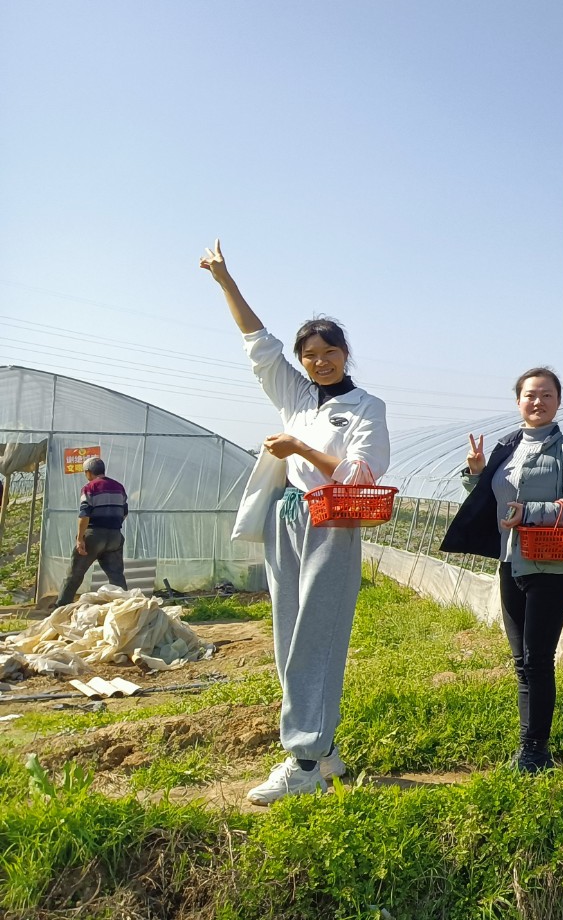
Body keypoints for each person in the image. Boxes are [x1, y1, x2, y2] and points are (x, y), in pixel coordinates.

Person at [200, 240, 389, 804]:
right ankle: (324, 751)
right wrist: (225, 281)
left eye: (329, 352)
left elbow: (362, 475)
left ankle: (305, 760)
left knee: (317, 635)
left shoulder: (365, 408)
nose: (319, 361)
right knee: (287, 636)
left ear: (345, 354)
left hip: (332, 523)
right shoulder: (297, 395)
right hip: (287, 517)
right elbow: (258, 344)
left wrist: (300, 448)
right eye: (310, 354)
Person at [440, 367, 563, 773]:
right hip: (511, 563)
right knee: (521, 662)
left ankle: (536, 751)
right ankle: (528, 747)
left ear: (558, 401)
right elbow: (490, 502)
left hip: (551, 566)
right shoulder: (507, 448)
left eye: (546, 394)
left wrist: (529, 513)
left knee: (538, 658)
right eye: (530, 395)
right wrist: (474, 474)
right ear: (518, 402)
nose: (537, 401)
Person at [54, 456, 130, 606]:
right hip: (115, 535)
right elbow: (125, 511)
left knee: (75, 574)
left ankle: (61, 607)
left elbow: (84, 514)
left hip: (94, 535)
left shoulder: (90, 488)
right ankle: (125, 607)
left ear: (89, 472)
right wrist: (113, 525)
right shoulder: (119, 487)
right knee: (116, 576)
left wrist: (80, 538)